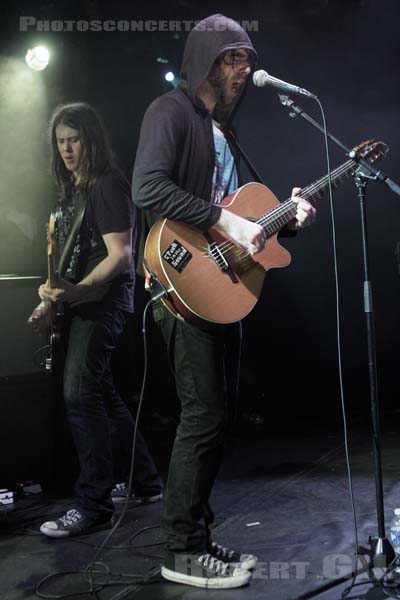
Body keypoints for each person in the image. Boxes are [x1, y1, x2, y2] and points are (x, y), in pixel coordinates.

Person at [132, 14, 316, 589]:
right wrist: (225, 221)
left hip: (223, 286)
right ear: (206, 58)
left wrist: (290, 217)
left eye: (248, 58)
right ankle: (181, 550)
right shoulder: (172, 112)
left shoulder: (225, 133)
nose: (245, 69)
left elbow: (252, 219)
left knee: (216, 416)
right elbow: (148, 188)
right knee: (203, 414)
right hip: (182, 279)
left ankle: (198, 536)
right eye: (234, 57)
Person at [28, 102, 163, 538]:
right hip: (83, 300)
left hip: (106, 301)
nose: (67, 149)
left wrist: (75, 291)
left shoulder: (107, 184)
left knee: (79, 393)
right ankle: (145, 482)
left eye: (75, 140)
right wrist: (51, 299)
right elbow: (67, 262)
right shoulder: (72, 190)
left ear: (91, 140)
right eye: (61, 142)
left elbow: (121, 258)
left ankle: (92, 503)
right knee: (101, 393)